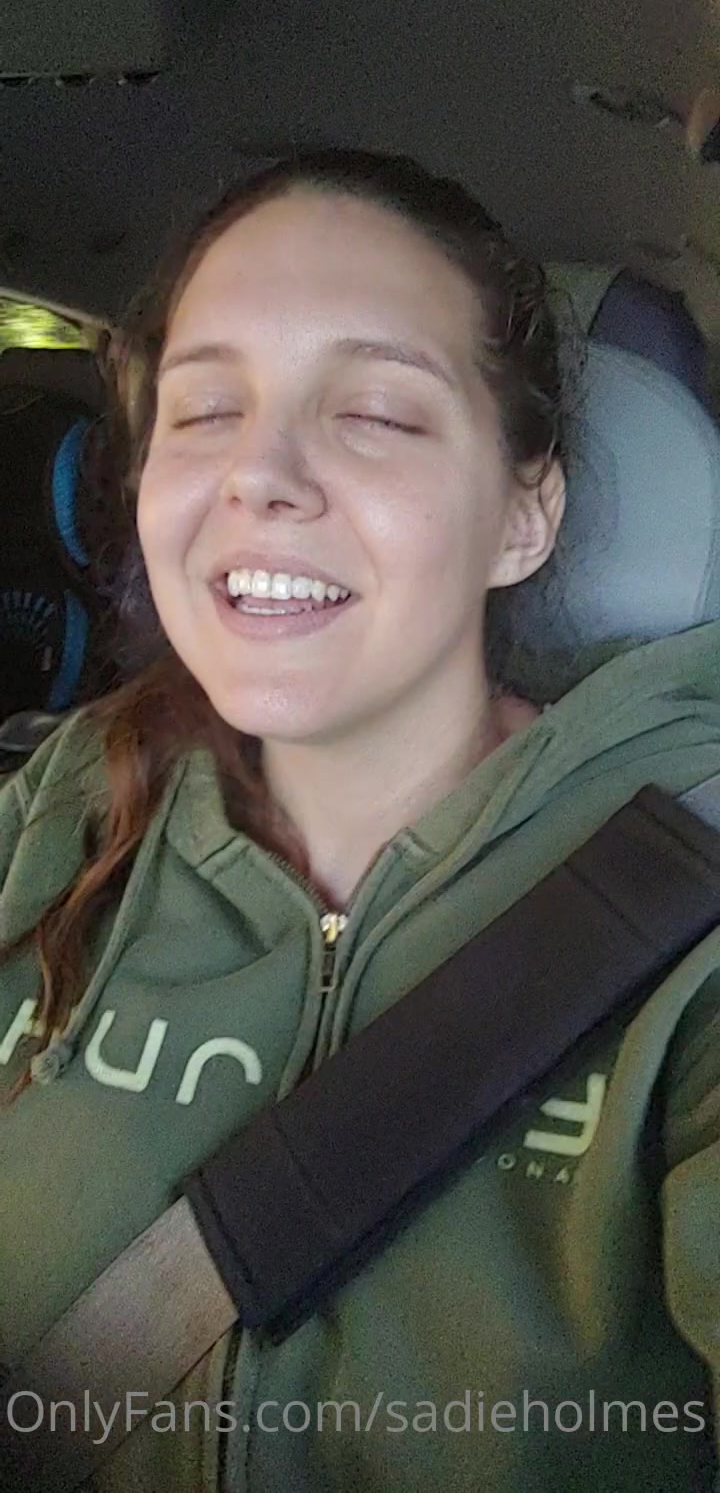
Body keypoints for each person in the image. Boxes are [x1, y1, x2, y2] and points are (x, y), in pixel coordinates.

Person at [1, 149, 719, 1493]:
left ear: (525, 515)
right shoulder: (56, 810)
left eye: (376, 414)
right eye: (205, 410)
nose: (257, 474)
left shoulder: (695, 893)